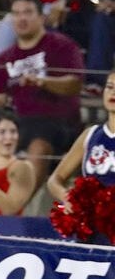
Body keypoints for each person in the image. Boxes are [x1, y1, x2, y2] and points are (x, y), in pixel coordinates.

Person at [0, 0, 85, 188]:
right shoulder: (4, 58)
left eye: (28, 13)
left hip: (57, 123)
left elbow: (75, 84)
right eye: (16, 14)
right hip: (18, 122)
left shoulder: (61, 45)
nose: (21, 18)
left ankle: (17, 209)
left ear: (41, 17)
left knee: (38, 147)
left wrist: (42, 82)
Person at [47, 70, 115, 202]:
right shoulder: (90, 135)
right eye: (110, 87)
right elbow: (55, 179)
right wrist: (67, 197)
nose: (113, 93)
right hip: (91, 219)